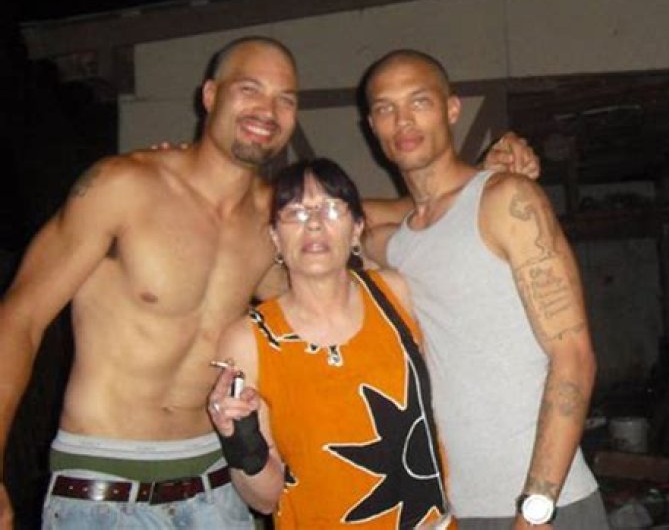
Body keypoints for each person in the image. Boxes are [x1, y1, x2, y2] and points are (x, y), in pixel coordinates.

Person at [0, 35, 537, 529]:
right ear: (210, 95)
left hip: (217, 490)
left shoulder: (273, 220)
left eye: (285, 99)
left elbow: (387, 209)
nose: (267, 110)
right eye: (249, 89)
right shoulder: (122, 187)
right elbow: (20, 318)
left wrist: (482, 178)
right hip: (105, 489)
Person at [362, 50, 609, 529]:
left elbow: (574, 356)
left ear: (452, 109)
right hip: (454, 510)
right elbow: (323, 213)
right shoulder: (395, 243)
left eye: (419, 101)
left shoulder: (507, 199)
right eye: (386, 108)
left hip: (544, 505)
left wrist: (536, 508)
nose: (403, 120)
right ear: (372, 125)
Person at [208, 157, 452, 528]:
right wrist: (239, 439)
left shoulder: (396, 295)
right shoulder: (248, 340)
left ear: (356, 229)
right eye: (295, 213)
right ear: (275, 237)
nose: (314, 224)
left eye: (331, 208)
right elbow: (264, 499)